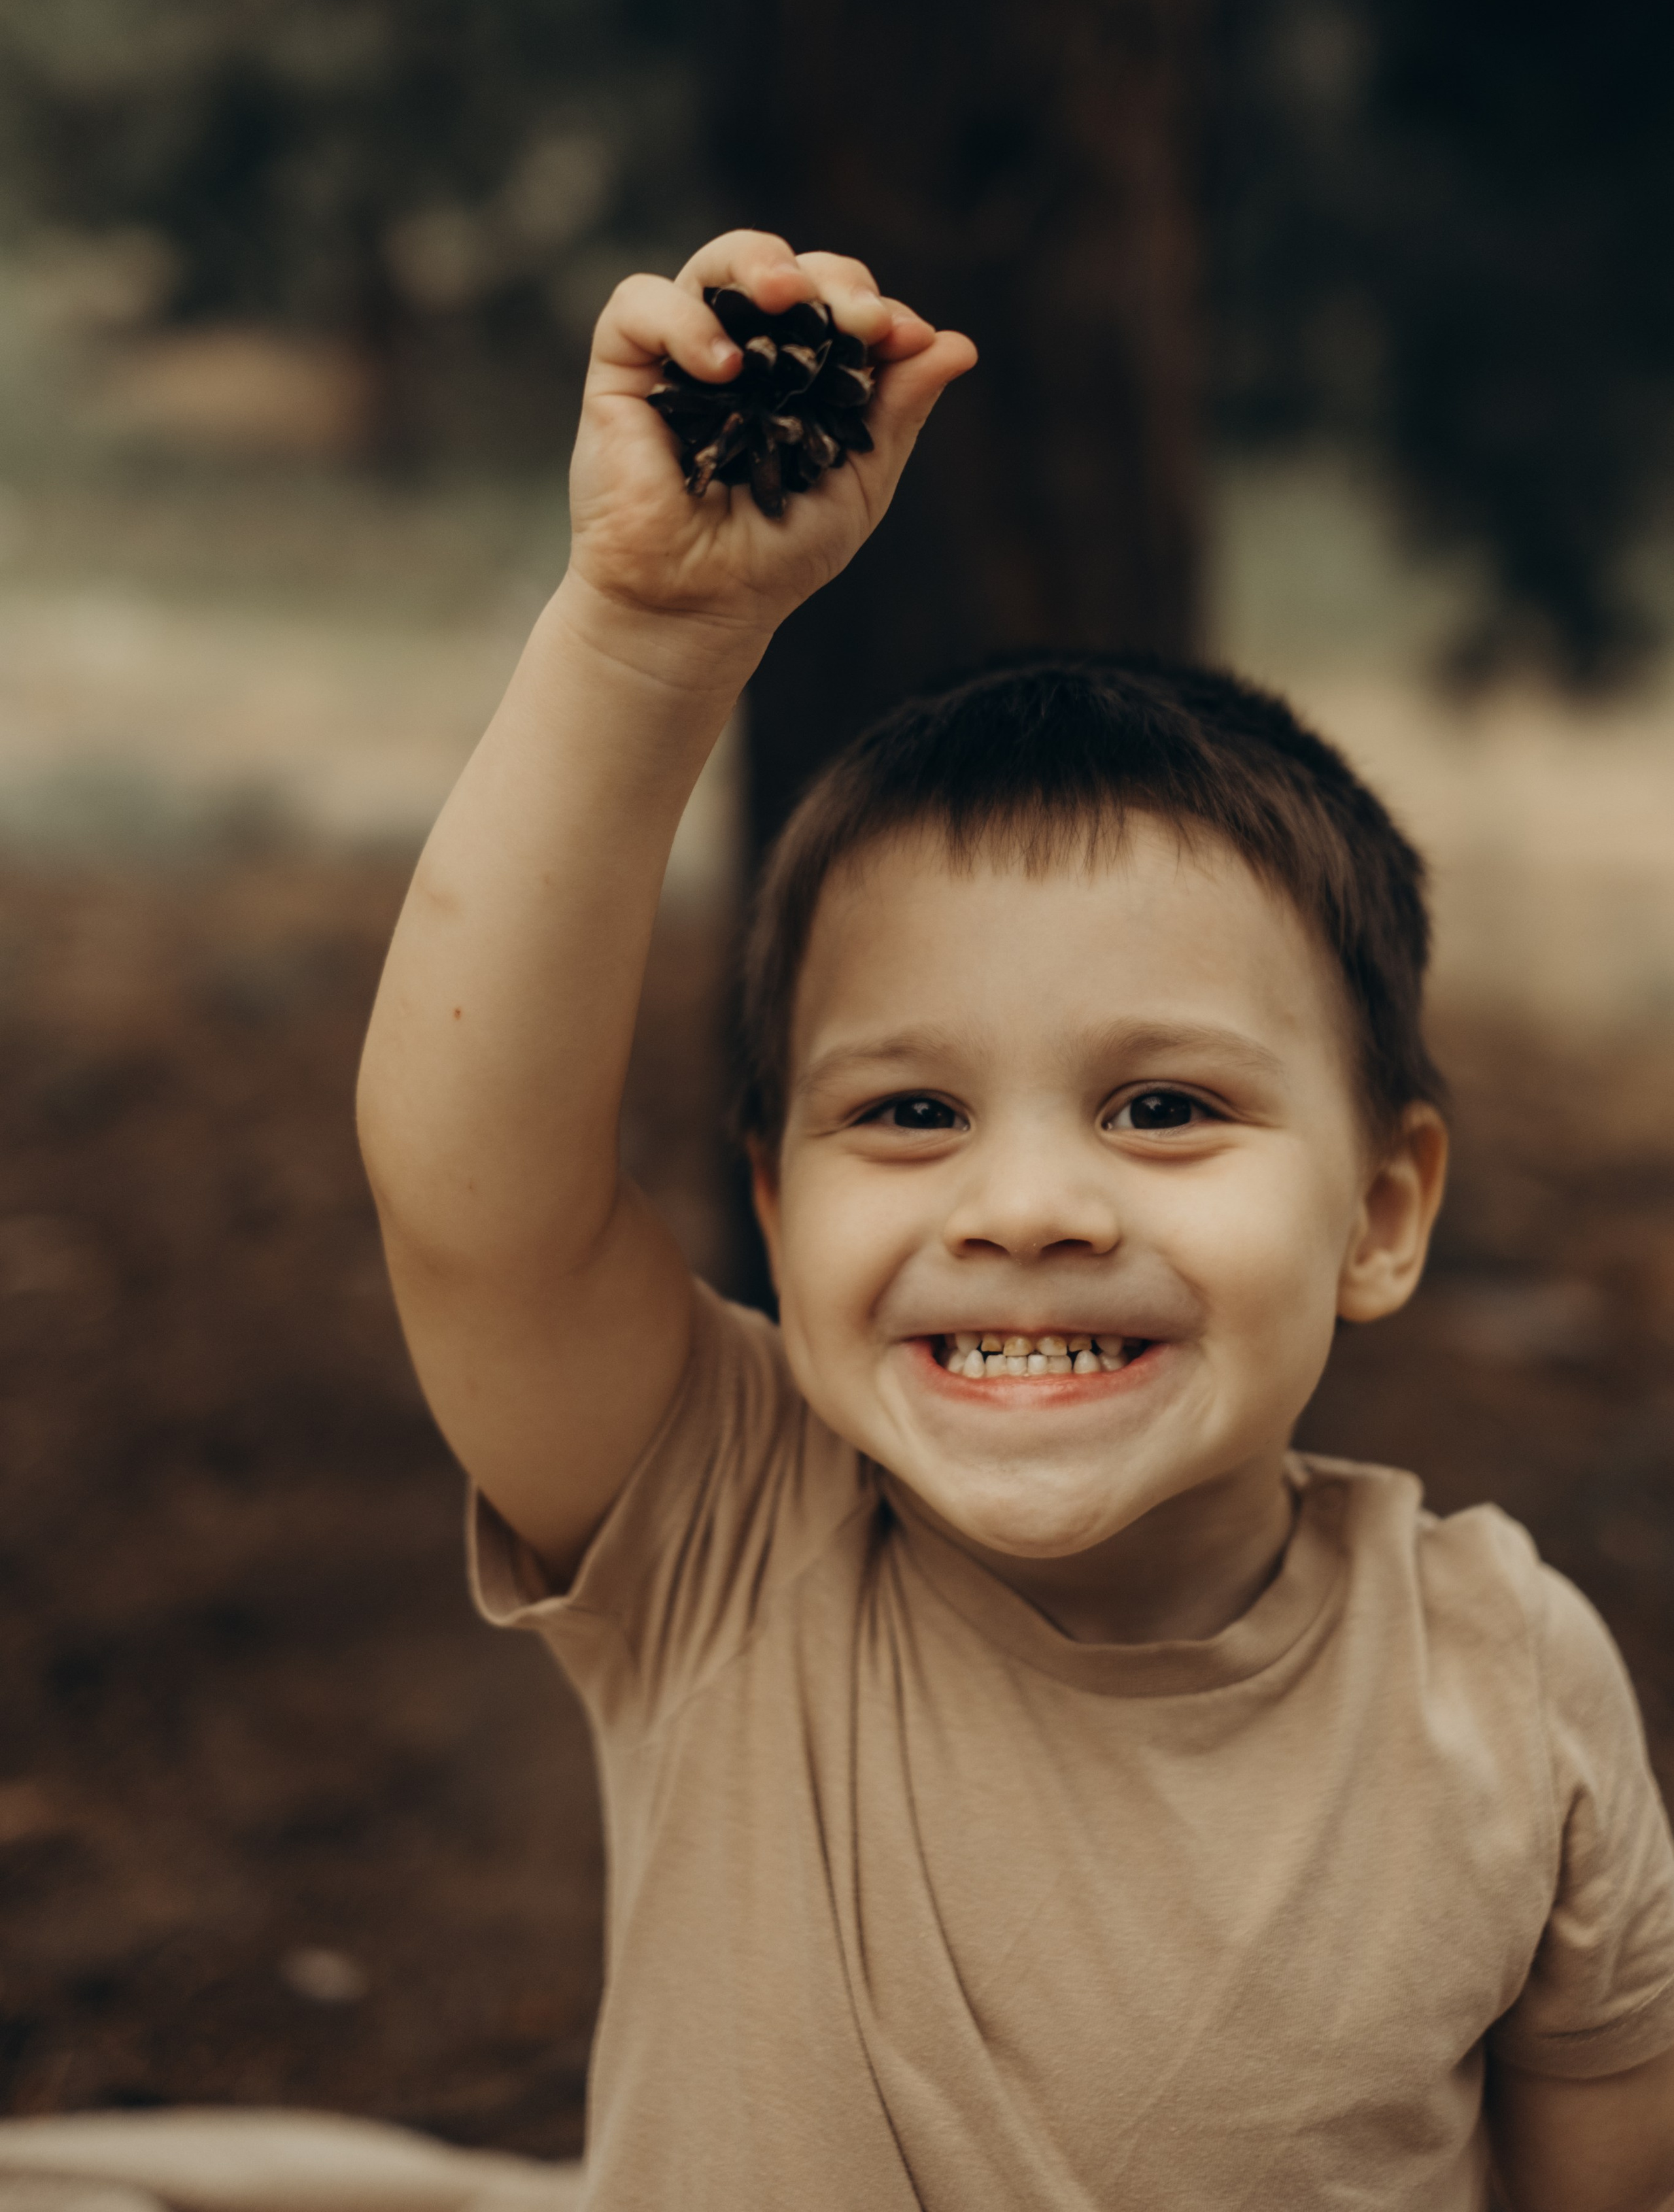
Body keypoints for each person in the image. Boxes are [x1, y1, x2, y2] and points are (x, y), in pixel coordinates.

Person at [356, 230, 1674, 2211]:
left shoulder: (1507, 1676)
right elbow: (472, 1187)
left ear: (1385, 1209)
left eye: (1163, 1108)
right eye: (910, 1112)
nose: (1033, 1206)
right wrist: (643, 640)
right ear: (778, 1213)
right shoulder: (727, 1531)